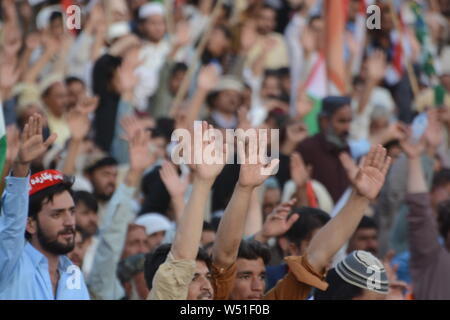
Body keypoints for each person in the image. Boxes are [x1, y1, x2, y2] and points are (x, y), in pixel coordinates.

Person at [0, 114, 90, 299]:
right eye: (57, 215)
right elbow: (12, 224)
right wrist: (21, 166)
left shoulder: (74, 276)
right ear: (30, 223)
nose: (69, 222)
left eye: (71, 212)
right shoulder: (9, 264)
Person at [297, 96, 353, 202]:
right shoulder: (308, 147)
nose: (347, 127)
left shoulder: (345, 148)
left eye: (349, 121)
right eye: (341, 121)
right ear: (324, 121)